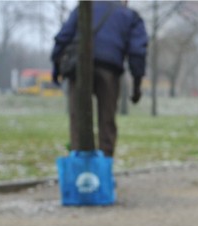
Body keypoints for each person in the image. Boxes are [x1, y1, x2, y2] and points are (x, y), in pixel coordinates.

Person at [51, 1, 148, 158]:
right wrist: (137, 85)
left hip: (80, 68)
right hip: (109, 69)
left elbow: (63, 37)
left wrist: (56, 67)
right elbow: (138, 51)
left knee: (78, 120)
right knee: (107, 120)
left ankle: (80, 166)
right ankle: (104, 167)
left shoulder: (83, 8)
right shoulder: (130, 15)